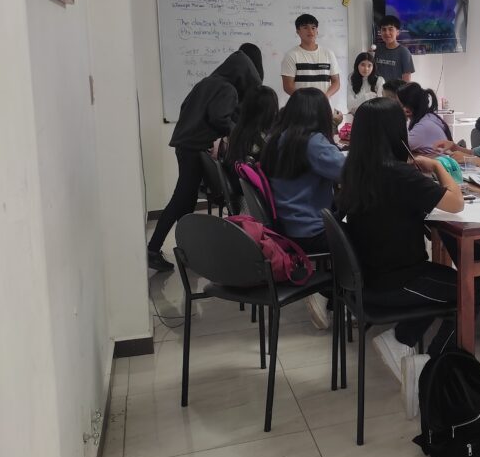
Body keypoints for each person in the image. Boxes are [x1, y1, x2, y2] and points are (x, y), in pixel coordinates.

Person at [338, 97, 464, 410]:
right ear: (396, 131)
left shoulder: (355, 169)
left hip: (367, 276)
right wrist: (437, 166)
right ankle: (428, 368)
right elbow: (456, 203)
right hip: (397, 280)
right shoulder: (398, 175)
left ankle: (401, 339)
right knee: (473, 290)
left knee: (447, 283)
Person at [147, 44, 263, 271]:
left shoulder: (207, 82)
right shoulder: (228, 89)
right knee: (181, 199)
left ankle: (186, 249)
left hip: (184, 145)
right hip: (193, 148)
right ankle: (153, 248)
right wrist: (238, 133)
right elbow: (220, 118)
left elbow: (187, 107)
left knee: (186, 200)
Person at [259, 89, 345, 328]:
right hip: (310, 230)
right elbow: (349, 172)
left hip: (285, 226)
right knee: (365, 236)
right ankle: (329, 294)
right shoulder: (313, 143)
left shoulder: (277, 138)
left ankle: (329, 290)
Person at [222, 85, 278, 210]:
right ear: (270, 111)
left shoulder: (238, 131)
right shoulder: (261, 139)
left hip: (242, 197)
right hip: (255, 203)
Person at [281, 13, 341, 100]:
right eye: (305, 27)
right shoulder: (291, 55)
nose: (310, 31)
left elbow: (336, 82)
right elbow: (288, 86)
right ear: (298, 31)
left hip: (324, 104)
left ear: (317, 31)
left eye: (313, 28)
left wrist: (326, 96)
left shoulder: (328, 53)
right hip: (301, 105)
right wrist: (305, 100)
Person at [398, 82, 452, 155]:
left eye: (397, 104)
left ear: (408, 110)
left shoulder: (422, 127)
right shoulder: (429, 117)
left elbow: (398, 149)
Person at [373, 15, 414, 83]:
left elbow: (406, 80)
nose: (387, 33)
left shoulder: (404, 52)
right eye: (384, 29)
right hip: (378, 89)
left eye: (390, 29)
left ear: (397, 32)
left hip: (394, 89)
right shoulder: (377, 49)